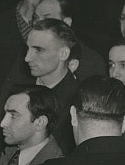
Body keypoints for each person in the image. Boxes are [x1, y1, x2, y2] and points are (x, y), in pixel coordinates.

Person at [17, 18, 80, 153]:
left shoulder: (78, 98)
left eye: (38, 50)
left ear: (63, 54)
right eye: (28, 48)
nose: (27, 58)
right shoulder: (17, 88)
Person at [0, 85, 63, 165]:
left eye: (13, 115)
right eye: (5, 114)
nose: (3, 123)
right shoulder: (5, 156)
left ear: (40, 122)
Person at [32, 0, 106, 81]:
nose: (38, 24)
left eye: (47, 18)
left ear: (67, 23)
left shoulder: (90, 61)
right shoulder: (27, 56)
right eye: (35, 18)